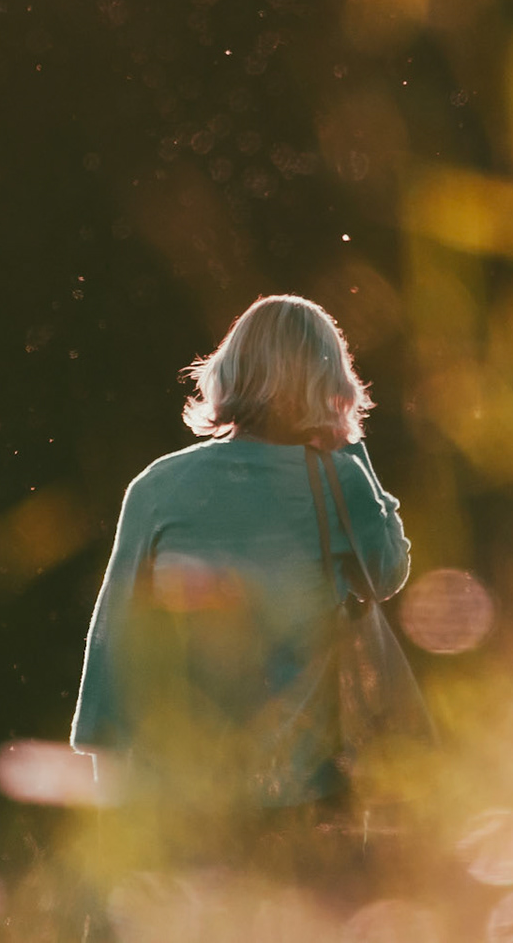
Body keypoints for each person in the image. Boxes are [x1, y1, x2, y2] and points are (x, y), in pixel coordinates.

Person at [70, 294, 412, 829]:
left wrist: (108, 782)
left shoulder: (158, 485)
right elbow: (387, 573)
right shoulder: (339, 480)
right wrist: (352, 450)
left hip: (182, 785)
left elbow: (116, 636)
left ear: (228, 373)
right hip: (303, 787)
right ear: (332, 384)